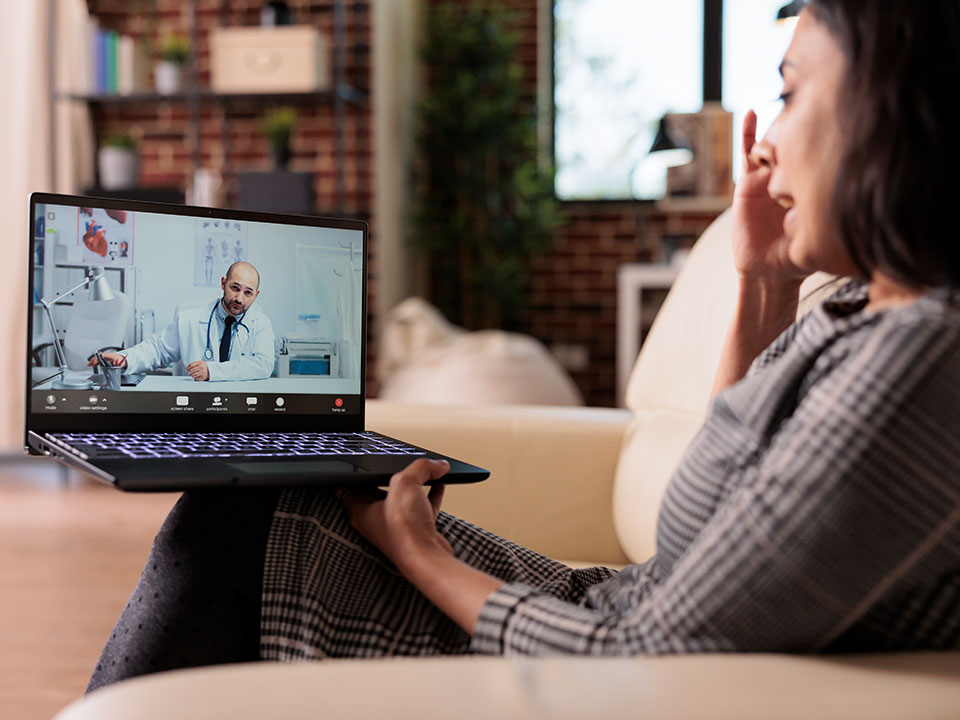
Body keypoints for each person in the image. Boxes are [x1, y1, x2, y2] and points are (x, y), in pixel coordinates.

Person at [88, 0, 960, 692]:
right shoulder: (858, 310)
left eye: (792, 90)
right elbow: (714, 506)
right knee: (267, 496)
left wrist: (417, 550)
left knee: (240, 525)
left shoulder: (919, 361)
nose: (764, 139)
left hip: (601, 653)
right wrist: (764, 283)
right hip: (605, 607)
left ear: (892, 109)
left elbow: (640, 650)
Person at [89, 261, 275, 382]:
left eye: (248, 292)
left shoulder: (261, 324)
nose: (239, 299)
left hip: (241, 408)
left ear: (256, 295)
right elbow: (158, 349)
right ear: (223, 283)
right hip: (194, 405)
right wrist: (125, 359)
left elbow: (263, 365)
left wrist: (212, 371)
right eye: (235, 288)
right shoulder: (190, 319)